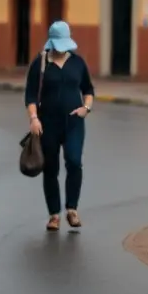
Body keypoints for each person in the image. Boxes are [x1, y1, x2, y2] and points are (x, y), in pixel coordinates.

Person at [24, 20, 95, 232]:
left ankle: (72, 209)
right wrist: (34, 118)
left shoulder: (78, 63)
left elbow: (88, 90)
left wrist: (86, 108)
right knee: (50, 168)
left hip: (74, 123)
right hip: (48, 124)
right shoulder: (40, 63)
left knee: (74, 162)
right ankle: (54, 215)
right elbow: (30, 96)